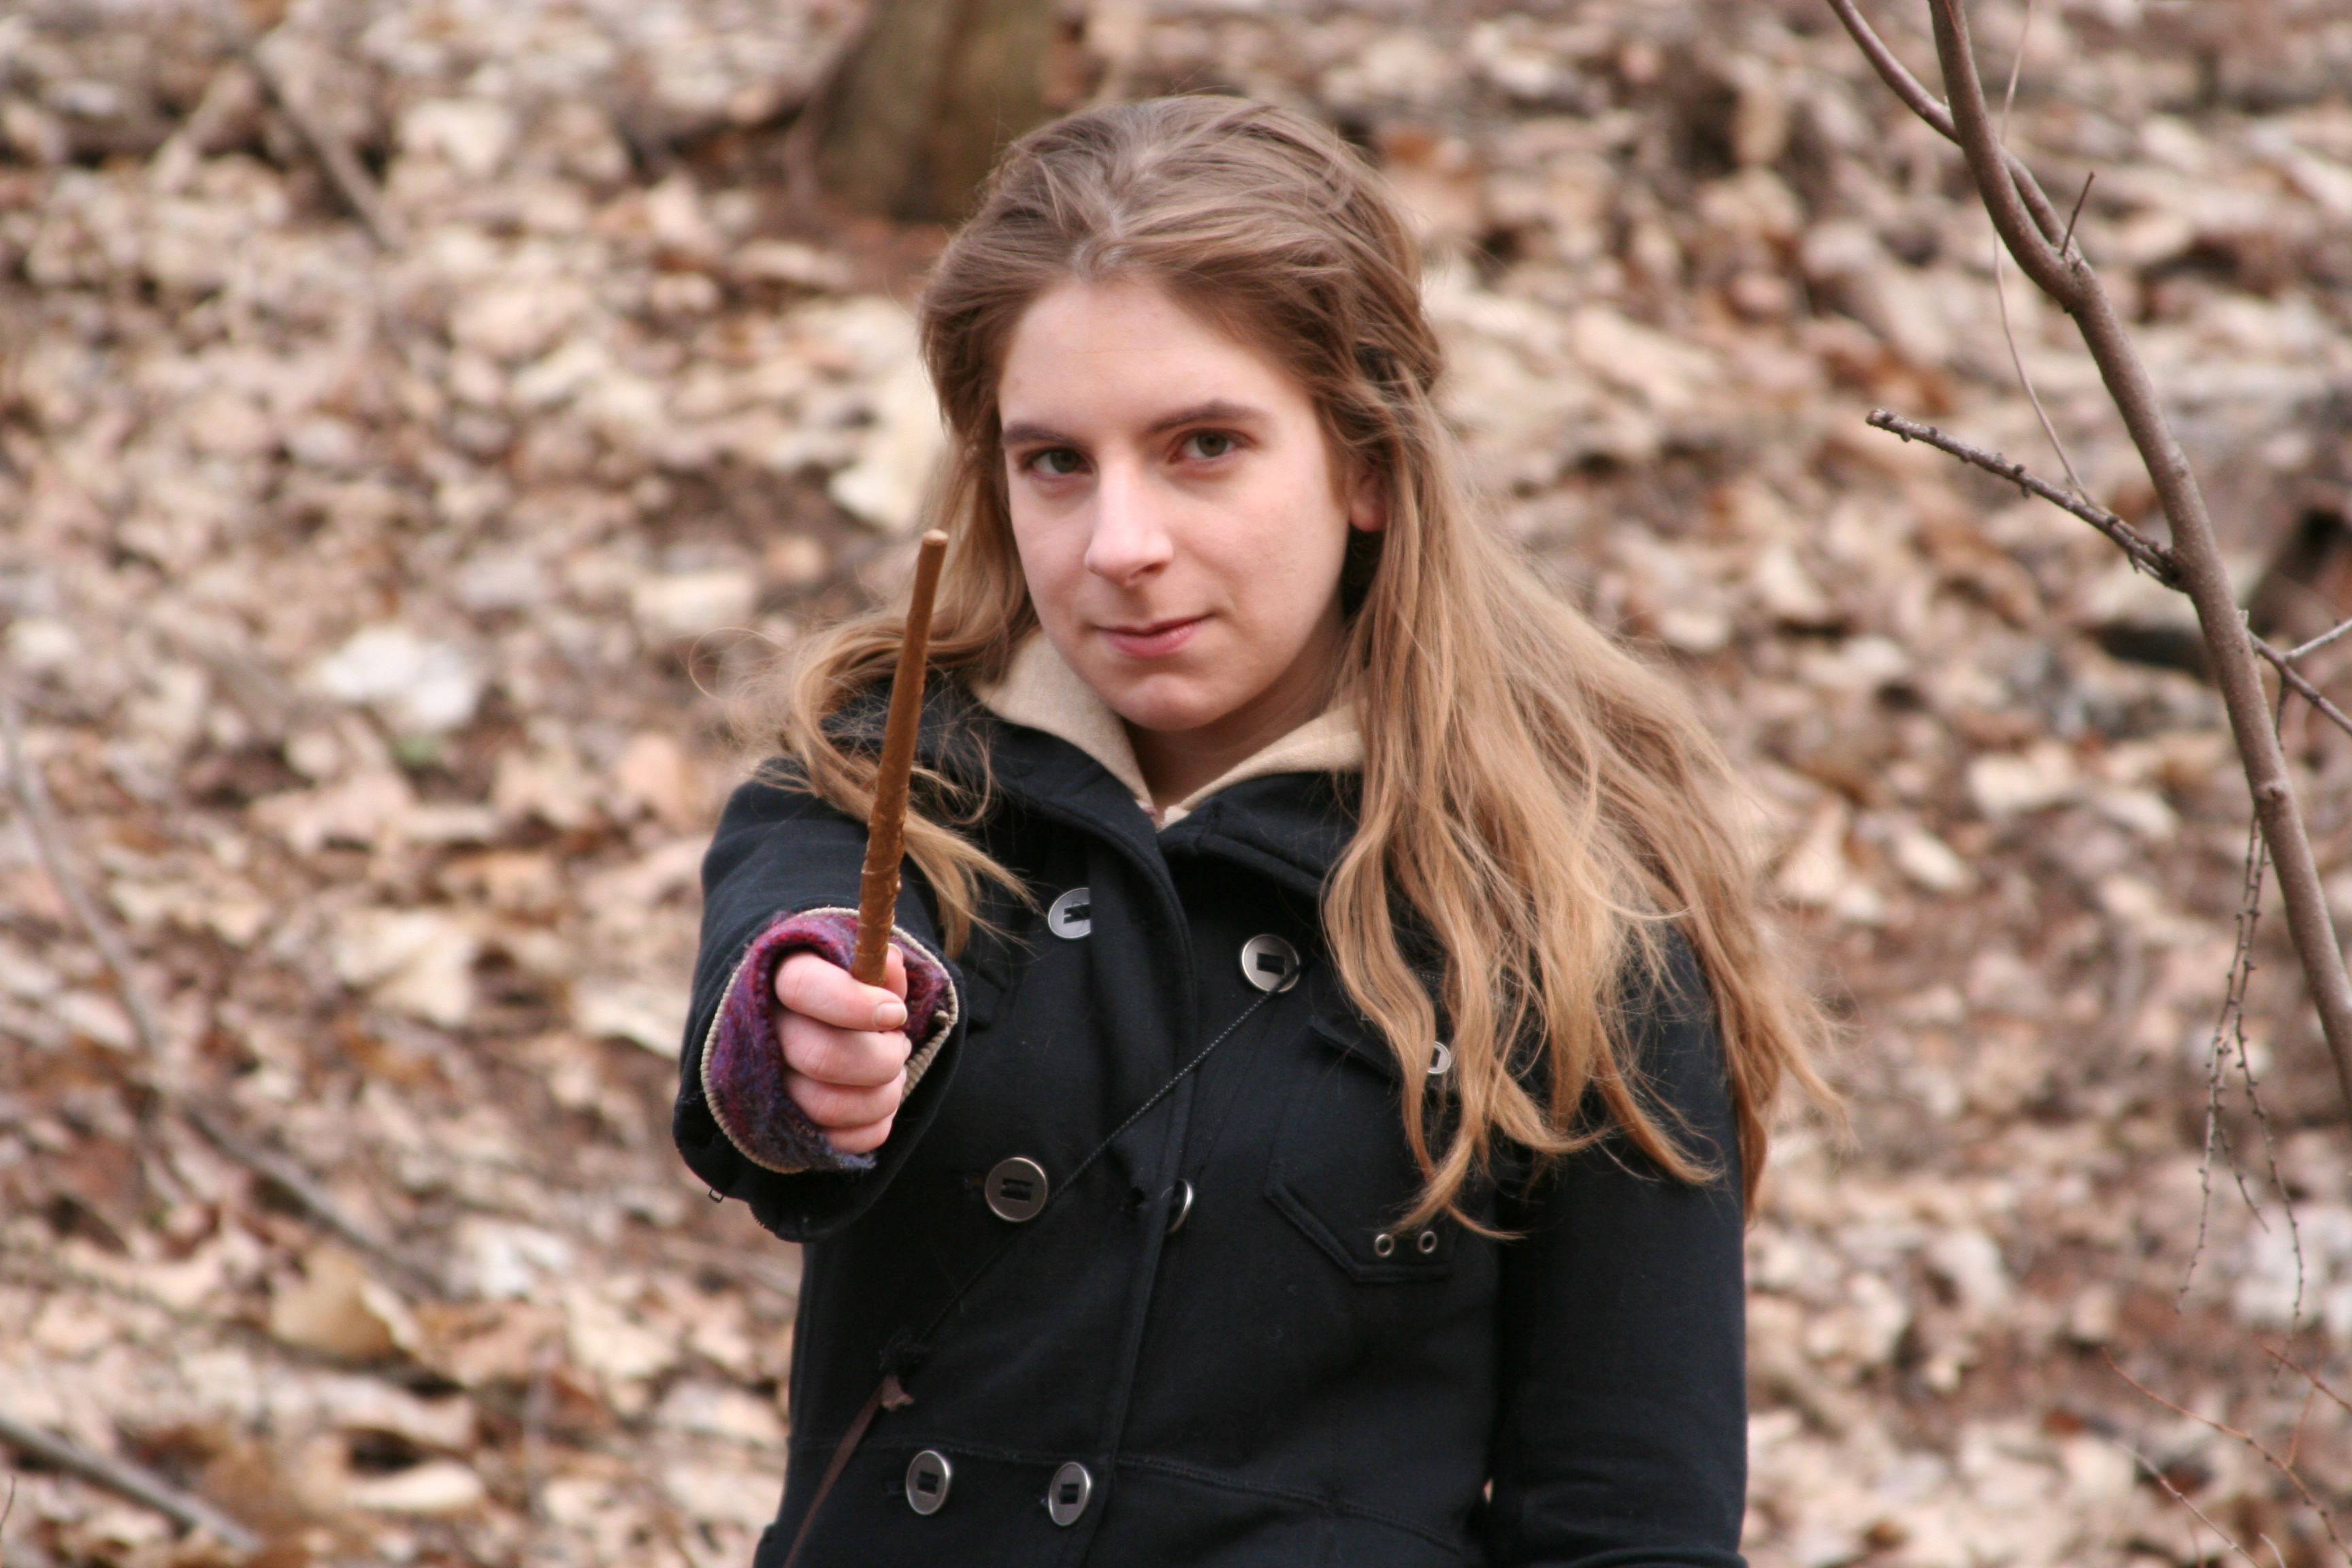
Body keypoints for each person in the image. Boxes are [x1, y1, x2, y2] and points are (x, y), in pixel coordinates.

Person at [674, 95, 1831, 1568]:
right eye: (1056, 462)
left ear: (1366, 461)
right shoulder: (882, 775)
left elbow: (1626, 1514)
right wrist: (806, 1035)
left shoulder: (1580, 900)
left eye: (1204, 446)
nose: (1121, 546)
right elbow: (794, 963)